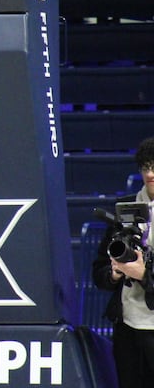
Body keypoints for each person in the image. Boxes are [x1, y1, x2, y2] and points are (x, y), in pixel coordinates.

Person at [91, 136, 154, 388]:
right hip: (127, 324)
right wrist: (115, 273)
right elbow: (99, 269)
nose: (151, 173)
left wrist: (144, 273)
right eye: (146, 166)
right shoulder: (125, 207)